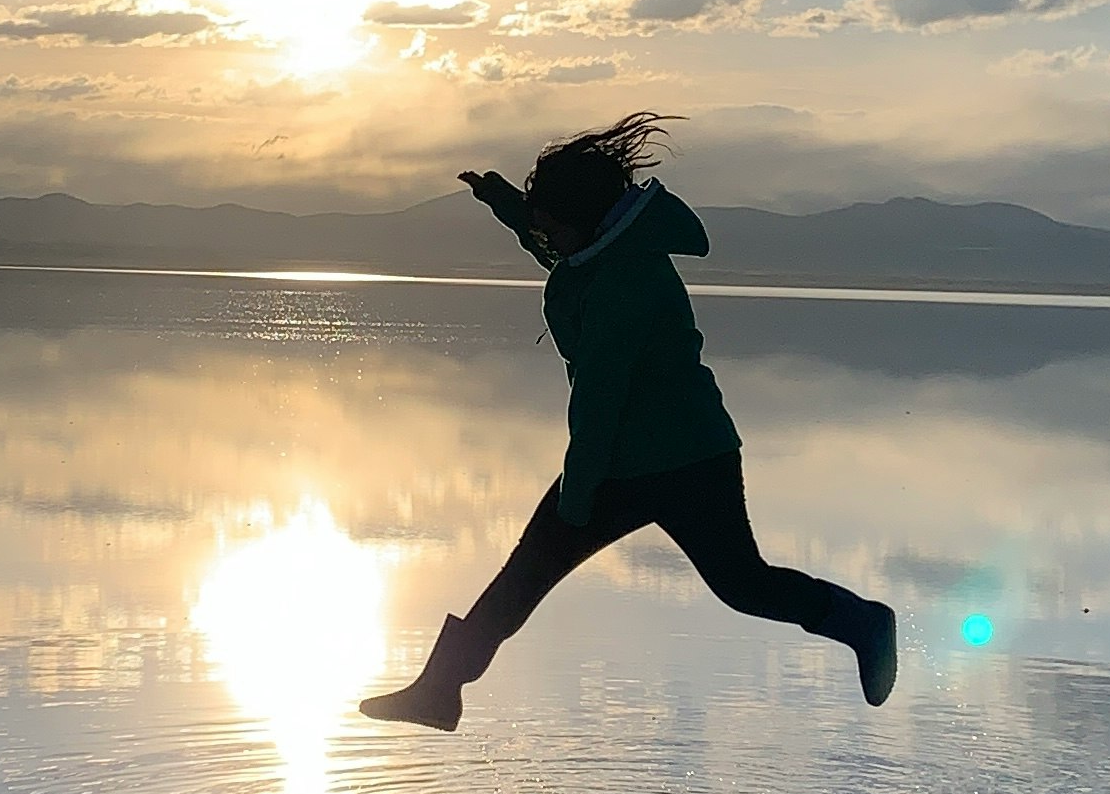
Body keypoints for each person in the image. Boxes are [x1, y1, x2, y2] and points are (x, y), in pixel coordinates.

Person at [358, 111, 897, 729]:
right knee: (528, 575)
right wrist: (508, 206)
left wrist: (579, 492)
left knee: (741, 585)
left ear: (583, 221)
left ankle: (863, 622)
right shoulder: (601, 248)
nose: (543, 231)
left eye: (548, 217)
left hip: (675, 459)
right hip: (649, 453)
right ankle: (439, 689)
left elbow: (601, 393)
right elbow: (556, 246)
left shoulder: (623, 279)